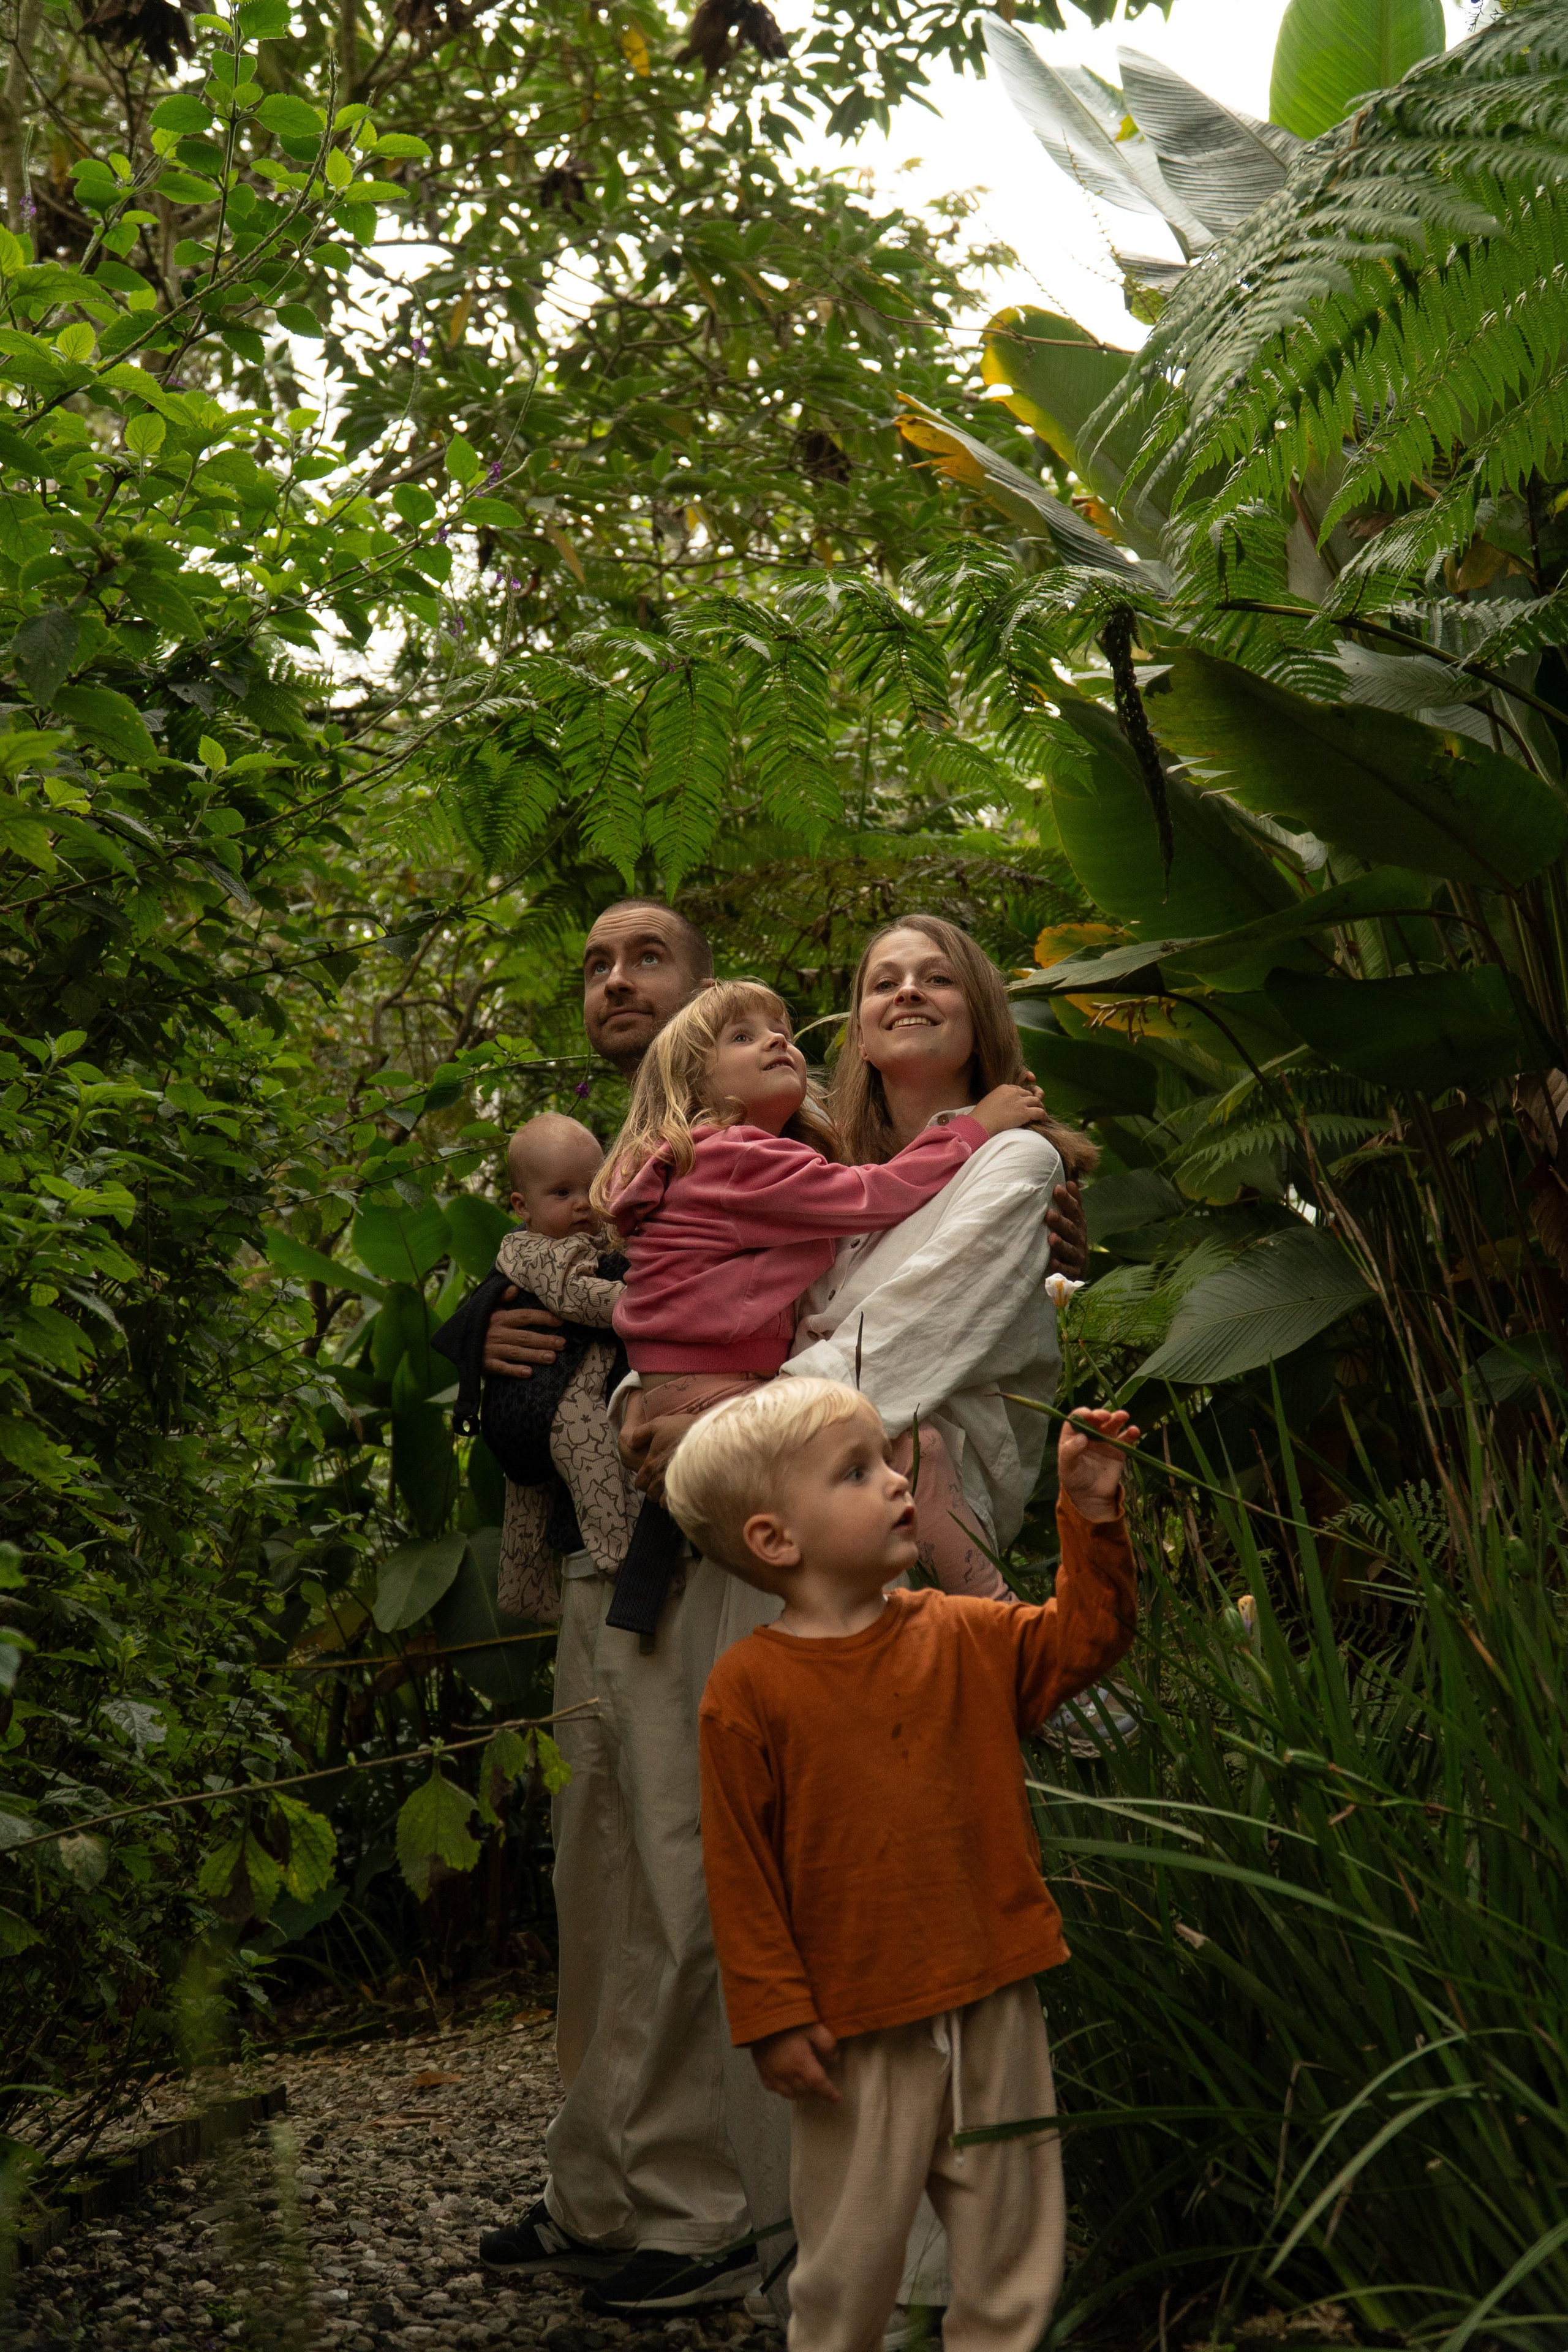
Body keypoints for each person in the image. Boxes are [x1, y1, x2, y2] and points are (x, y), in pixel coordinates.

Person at [477, 900, 1090, 2318]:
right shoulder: (794, 1165)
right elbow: (734, 1321)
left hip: (873, 1573)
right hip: (759, 1559)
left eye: (935, 978)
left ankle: (899, 2273)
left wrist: (701, 1413)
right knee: (712, 1890)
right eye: (880, 980)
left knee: (860, 1911)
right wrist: (631, 1381)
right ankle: (766, 2241)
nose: (904, 995)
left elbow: (878, 1356)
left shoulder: (962, 1160)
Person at [666, 1377, 1140, 2352]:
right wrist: (773, 2015)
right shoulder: (747, 1691)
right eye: (855, 1472)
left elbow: (1083, 1640)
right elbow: (739, 1870)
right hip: (857, 2023)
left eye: (887, 1460)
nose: (895, 1482)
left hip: (995, 1990)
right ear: (774, 1540)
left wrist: (1090, 1513)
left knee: (1013, 2254)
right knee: (848, 2264)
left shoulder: (962, 1633)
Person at [597, 979, 1046, 1598]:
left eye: (780, 1031)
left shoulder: (717, 1163)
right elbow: (871, 1193)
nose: (775, 1040)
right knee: (915, 1449)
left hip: (695, 1388)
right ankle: (996, 1611)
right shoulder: (734, 1157)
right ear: (694, 1086)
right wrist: (974, 1129)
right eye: (742, 1036)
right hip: (716, 1394)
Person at [489, 1115, 640, 1621]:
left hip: (574, 1375)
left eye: (592, 1188)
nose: (582, 1204)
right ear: (522, 1207)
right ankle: (615, 1553)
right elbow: (575, 1297)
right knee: (591, 1451)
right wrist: (645, 1302)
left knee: (530, 1497)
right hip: (559, 1394)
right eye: (561, 1193)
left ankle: (523, 1589)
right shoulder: (531, 1250)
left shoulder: (594, 1239)